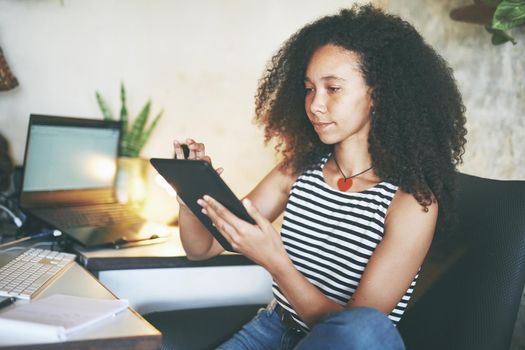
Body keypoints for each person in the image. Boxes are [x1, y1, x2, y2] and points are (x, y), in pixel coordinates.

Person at [173, 4, 467, 349]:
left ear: (377, 94)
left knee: (362, 328)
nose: (314, 104)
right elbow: (201, 249)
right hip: (272, 330)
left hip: (336, 345)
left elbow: (352, 331)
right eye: (310, 88)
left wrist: (275, 261)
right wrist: (188, 194)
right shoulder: (297, 169)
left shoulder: (412, 204)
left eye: (333, 88)